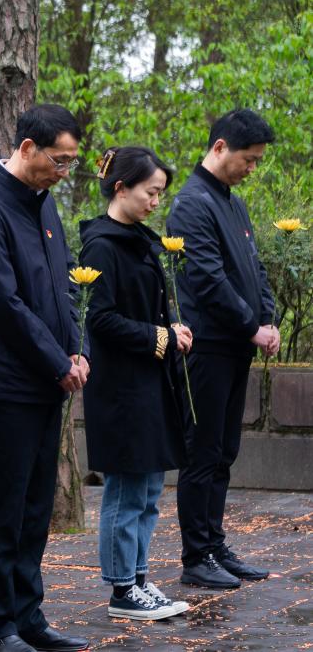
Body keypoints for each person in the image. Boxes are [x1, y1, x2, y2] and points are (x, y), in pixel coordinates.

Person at [0, 104, 90, 652]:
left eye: (71, 163)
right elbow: (3, 306)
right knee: (3, 509)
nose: (64, 171)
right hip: (11, 385)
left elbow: (65, 290)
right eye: (58, 160)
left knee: (37, 507)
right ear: (27, 148)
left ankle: (26, 614)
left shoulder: (46, 204)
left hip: (50, 381)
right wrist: (57, 362)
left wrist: (77, 352)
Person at [79, 147, 191, 620]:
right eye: (150, 192)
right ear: (120, 187)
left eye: (160, 194)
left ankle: (139, 577)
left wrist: (170, 331)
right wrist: (160, 336)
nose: (155, 202)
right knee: (125, 491)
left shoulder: (139, 239)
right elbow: (100, 318)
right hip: (121, 388)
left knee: (147, 491)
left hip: (148, 381)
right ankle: (122, 588)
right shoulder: (102, 245)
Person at [167, 109, 277, 589]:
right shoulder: (192, 203)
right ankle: (197, 556)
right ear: (219, 148)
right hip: (208, 347)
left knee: (225, 449)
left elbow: (255, 269)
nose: (251, 168)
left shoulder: (232, 202)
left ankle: (214, 545)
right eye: (248, 160)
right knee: (203, 450)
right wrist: (251, 325)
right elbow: (206, 279)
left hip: (237, 346)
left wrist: (267, 317)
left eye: (256, 162)